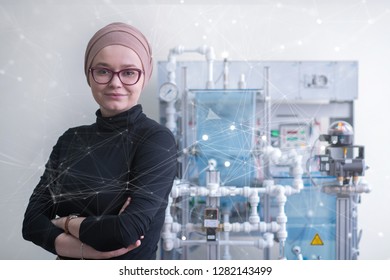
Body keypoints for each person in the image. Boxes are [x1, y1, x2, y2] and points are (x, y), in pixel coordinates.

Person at [22, 22, 177, 260]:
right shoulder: (70, 140)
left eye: (128, 72)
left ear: (144, 77)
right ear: (89, 75)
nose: (115, 82)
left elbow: (123, 233)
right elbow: (32, 223)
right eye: (103, 71)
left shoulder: (156, 140)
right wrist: (90, 244)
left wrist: (64, 221)